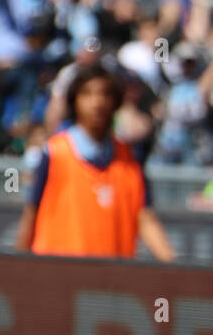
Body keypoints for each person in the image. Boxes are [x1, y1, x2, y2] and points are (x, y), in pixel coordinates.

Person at [16, 64, 175, 261]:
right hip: (59, 278)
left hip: (112, 283)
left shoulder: (130, 158)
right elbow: (31, 215)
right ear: (74, 101)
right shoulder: (55, 152)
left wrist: (174, 267)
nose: (97, 102)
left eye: (105, 94)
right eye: (87, 94)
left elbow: (145, 218)